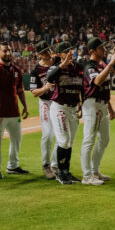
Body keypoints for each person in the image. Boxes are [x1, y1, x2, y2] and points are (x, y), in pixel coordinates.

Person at [0, 43, 30, 179]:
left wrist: (25, 106)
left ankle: (13, 165)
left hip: (14, 111)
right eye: (4, 51)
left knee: (17, 139)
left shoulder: (17, 70)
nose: (8, 53)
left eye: (9, 51)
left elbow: (20, 90)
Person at [80, 37, 115, 185]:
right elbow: (97, 81)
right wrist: (110, 64)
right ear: (92, 51)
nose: (104, 49)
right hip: (92, 104)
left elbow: (105, 87)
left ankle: (95, 170)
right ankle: (86, 176)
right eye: (101, 47)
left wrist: (110, 107)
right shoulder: (89, 66)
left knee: (105, 138)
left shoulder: (101, 64)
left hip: (102, 104)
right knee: (89, 139)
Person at [42, 42, 85, 185]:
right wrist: (62, 64)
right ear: (60, 54)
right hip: (60, 107)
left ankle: (66, 171)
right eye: (66, 51)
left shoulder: (78, 68)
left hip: (73, 108)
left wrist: (81, 105)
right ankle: (60, 172)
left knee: (70, 142)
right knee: (64, 141)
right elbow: (49, 78)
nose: (70, 53)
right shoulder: (56, 68)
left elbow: (83, 88)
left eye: (71, 49)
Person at [28, 41, 57, 179]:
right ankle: (46, 164)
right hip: (45, 103)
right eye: (43, 51)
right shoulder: (36, 70)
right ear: (38, 54)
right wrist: (45, 88)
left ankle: (55, 164)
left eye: (48, 50)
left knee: (61, 135)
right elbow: (33, 92)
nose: (47, 53)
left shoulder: (57, 62)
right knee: (48, 134)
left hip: (58, 102)